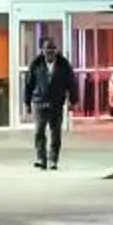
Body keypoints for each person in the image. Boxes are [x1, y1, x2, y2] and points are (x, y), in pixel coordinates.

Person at [24, 34, 75, 169]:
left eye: (53, 48)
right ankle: (41, 158)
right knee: (39, 131)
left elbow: (72, 83)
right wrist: (27, 102)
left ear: (56, 50)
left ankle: (53, 160)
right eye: (47, 48)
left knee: (55, 132)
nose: (50, 51)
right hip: (39, 103)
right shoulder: (36, 64)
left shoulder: (64, 65)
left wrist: (73, 101)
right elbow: (29, 84)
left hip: (56, 103)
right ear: (42, 49)